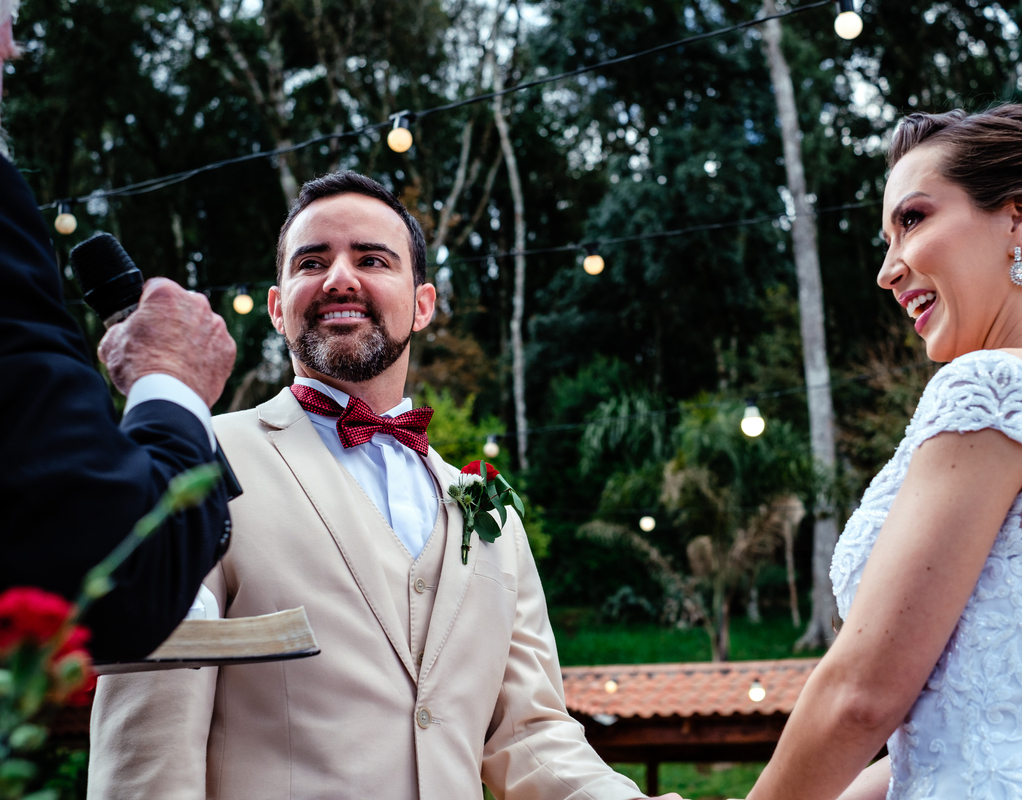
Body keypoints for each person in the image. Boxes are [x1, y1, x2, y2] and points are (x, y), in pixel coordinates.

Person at [88, 171, 681, 800]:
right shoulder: (195, 461)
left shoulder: (494, 516)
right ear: (277, 307)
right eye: (312, 262)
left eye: (372, 259)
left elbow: (530, 737)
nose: (339, 279)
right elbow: (148, 752)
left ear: (423, 305)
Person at [748, 104, 1022, 800]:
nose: (887, 271)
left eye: (913, 219)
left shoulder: (996, 387)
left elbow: (861, 696)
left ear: (1020, 218)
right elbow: (971, 740)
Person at [0, 0, 237, 662]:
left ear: (425, 302)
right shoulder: (237, 445)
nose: (11, 49)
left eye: (375, 259)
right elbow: (108, 564)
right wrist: (171, 377)